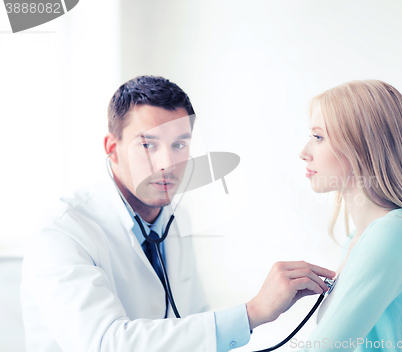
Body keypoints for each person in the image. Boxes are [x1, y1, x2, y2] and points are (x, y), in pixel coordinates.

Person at [20, 75, 336, 352]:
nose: (166, 164)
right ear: (112, 148)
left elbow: (190, 317)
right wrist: (252, 312)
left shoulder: (173, 218)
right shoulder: (62, 232)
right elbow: (106, 343)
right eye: (147, 145)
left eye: (180, 144)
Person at [296, 80, 402, 352]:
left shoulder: (393, 235)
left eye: (318, 137)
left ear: (362, 147)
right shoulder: (357, 239)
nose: (304, 153)